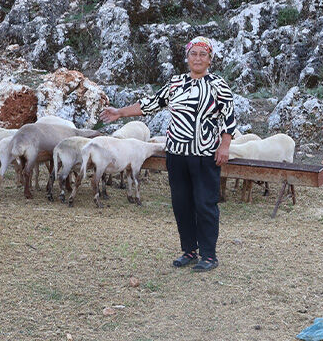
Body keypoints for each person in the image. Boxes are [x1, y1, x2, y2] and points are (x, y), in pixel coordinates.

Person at [100, 36, 237, 272]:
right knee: (181, 203)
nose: (197, 58)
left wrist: (224, 146)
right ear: (187, 58)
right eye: (193, 54)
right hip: (177, 153)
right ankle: (190, 250)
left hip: (205, 154)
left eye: (202, 54)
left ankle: (209, 255)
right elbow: (150, 103)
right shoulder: (175, 84)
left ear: (209, 60)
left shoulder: (218, 85)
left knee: (205, 204)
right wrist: (120, 113)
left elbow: (229, 117)